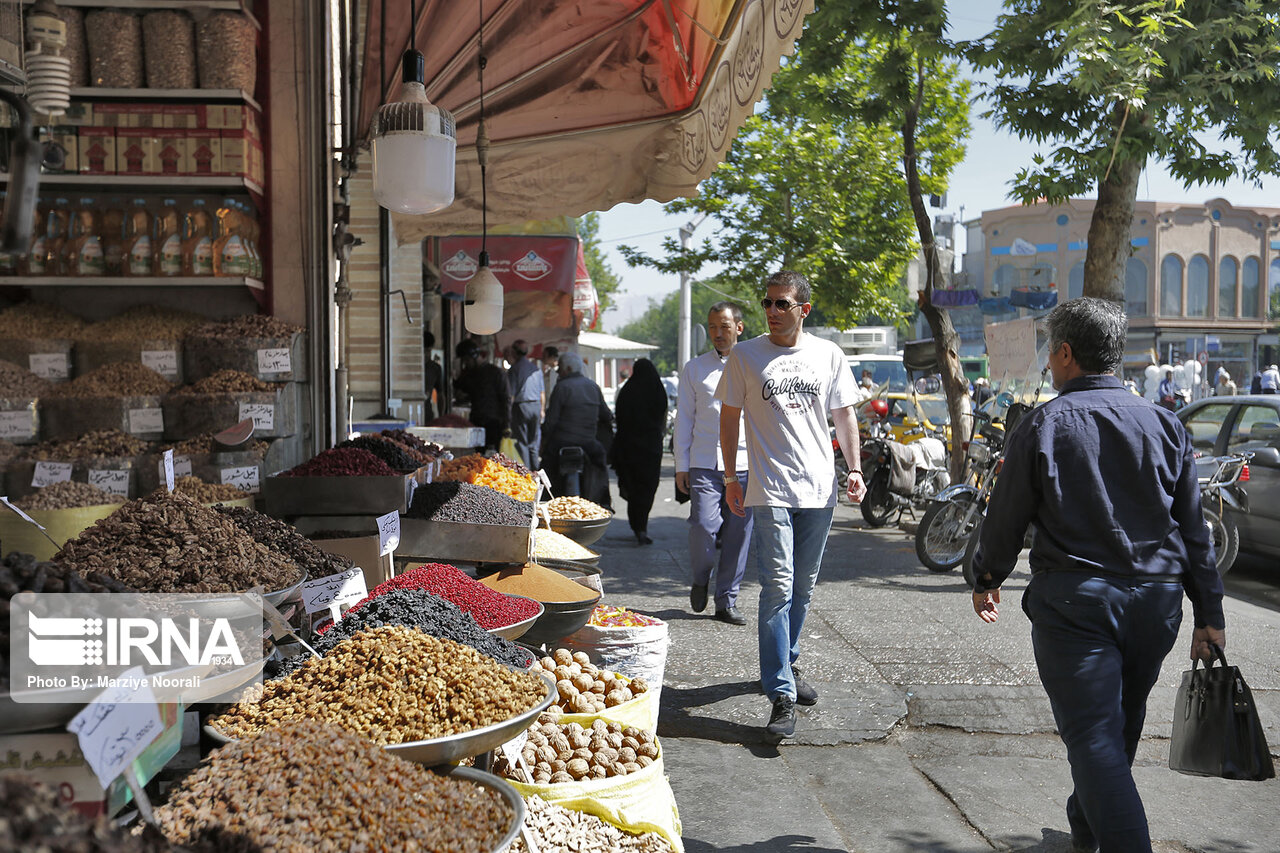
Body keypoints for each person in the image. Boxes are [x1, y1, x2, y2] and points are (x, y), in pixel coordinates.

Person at [970, 297, 1225, 853]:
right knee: (1117, 733)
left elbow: (1005, 517)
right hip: (1157, 606)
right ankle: (1086, 828)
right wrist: (1210, 614)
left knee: (1095, 742)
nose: (1047, 362)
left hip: (1076, 607)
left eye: (1049, 351)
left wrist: (987, 574)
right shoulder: (1165, 425)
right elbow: (1194, 531)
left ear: (1065, 353)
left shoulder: (1042, 424)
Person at [717, 270, 865, 740]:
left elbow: (844, 416)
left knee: (803, 589)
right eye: (767, 303)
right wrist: (729, 477)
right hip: (769, 488)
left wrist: (855, 470)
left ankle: (790, 661)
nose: (772, 312)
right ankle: (780, 692)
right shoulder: (745, 355)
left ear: (804, 308)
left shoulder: (828, 354)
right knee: (777, 588)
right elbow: (729, 417)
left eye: (782, 304)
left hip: (819, 489)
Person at [675, 302, 752, 625]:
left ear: (739, 327)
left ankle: (726, 601)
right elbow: (684, 419)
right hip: (705, 462)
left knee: (738, 534)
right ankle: (700, 576)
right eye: (713, 327)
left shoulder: (754, 365)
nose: (718, 334)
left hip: (747, 464)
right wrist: (682, 465)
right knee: (704, 528)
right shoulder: (695, 369)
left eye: (724, 326)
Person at [541, 351, 614, 508]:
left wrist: (543, 440)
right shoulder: (593, 387)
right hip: (589, 443)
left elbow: (551, 421)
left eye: (560, 368)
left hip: (561, 443)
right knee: (601, 465)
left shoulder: (561, 387)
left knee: (546, 470)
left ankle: (546, 503)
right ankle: (603, 502)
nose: (558, 372)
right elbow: (606, 415)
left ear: (567, 369)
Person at [611, 358, 667, 545]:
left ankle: (637, 525)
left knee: (633, 486)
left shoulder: (628, 390)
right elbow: (662, 418)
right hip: (651, 448)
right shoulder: (658, 390)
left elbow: (619, 417)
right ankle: (641, 526)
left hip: (628, 447)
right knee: (648, 487)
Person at [453, 339, 509, 451]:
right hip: (476, 421)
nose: (466, 363)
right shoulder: (469, 374)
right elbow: (461, 391)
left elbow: (506, 399)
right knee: (478, 456)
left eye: (466, 360)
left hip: (493, 423)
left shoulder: (496, 373)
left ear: (473, 356)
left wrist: (507, 425)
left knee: (492, 457)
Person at [506, 339, 544, 470]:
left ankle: (527, 473)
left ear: (514, 353)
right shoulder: (536, 369)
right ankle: (537, 472)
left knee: (522, 442)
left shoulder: (514, 369)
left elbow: (511, 394)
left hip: (521, 406)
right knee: (533, 443)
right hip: (536, 405)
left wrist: (508, 413)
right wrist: (542, 409)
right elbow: (541, 392)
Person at [422, 331, 445, 420]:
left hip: (428, 414)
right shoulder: (410, 367)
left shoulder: (435, 368)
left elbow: (440, 394)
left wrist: (441, 417)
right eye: (423, 350)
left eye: (428, 350)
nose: (426, 354)